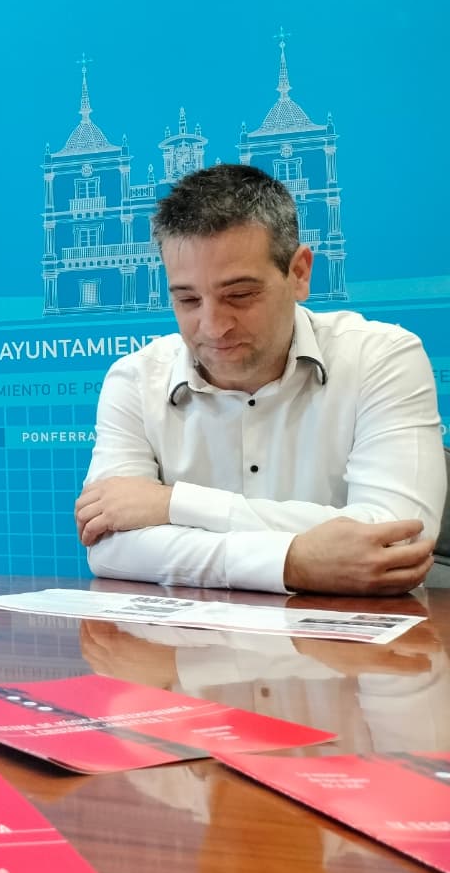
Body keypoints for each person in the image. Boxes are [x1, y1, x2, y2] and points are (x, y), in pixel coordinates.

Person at [75, 164, 445, 595]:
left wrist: (172, 504)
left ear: (300, 273)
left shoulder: (381, 357)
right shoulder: (134, 379)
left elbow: (398, 537)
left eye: (240, 295)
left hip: (356, 652)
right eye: (188, 299)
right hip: (185, 652)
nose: (213, 326)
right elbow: (110, 547)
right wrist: (292, 563)